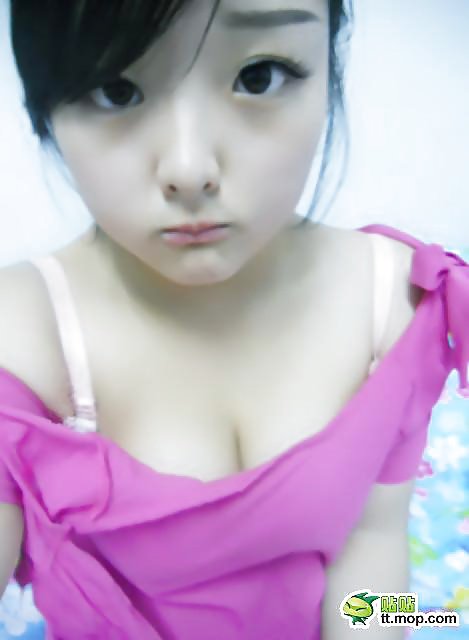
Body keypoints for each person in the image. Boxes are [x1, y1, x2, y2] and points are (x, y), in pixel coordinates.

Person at [0, 1, 468, 638]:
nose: (190, 169)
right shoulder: (24, 338)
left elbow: (373, 561)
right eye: (116, 90)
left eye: (258, 76)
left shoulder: (390, 300)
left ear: (328, 67)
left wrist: (432, 616)